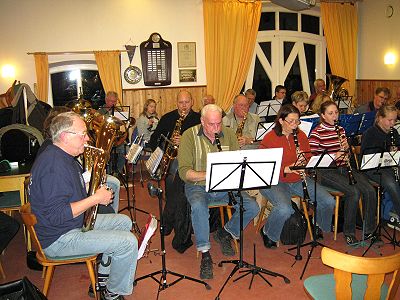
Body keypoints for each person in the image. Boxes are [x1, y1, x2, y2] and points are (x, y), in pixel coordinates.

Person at [29, 112, 137, 300]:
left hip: (71, 225)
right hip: (59, 239)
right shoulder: (53, 166)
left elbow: (70, 192)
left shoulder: (62, 156)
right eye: (83, 134)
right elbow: (56, 215)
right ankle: (112, 294)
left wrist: (91, 187)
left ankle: (103, 278)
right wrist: (95, 199)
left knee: (124, 222)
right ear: (65, 136)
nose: (87, 138)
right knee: (128, 242)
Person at [178, 104, 259, 279]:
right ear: (202, 121)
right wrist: (210, 173)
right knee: (199, 207)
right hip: (198, 185)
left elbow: (237, 163)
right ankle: (205, 253)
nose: (216, 128)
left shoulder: (228, 134)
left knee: (252, 207)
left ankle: (226, 232)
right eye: (211, 124)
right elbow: (184, 172)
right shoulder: (189, 136)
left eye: (218, 124)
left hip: (225, 185)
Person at [258, 104, 335, 248]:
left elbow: (308, 155)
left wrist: (303, 162)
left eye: (297, 121)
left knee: (328, 201)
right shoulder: (269, 138)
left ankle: (316, 224)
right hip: (276, 181)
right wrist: (285, 169)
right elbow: (263, 167)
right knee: (284, 209)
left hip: (298, 179)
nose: (295, 125)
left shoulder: (300, 135)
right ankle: (268, 232)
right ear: (281, 121)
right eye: (291, 121)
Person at [309, 101, 377, 245]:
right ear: (323, 115)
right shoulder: (317, 133)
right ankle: (349, 232)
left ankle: (370, 230)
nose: (335, 116)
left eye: (336, 112)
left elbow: (348, 155)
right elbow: (313, 160)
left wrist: (347, 150)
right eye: (330, 113)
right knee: (353, 192)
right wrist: (334, 156)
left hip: (344, 168)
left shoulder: (340, 129)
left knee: (369, 189)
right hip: (326, 171)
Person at [39, 106, 121, 214]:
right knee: (117, 217)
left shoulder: (59, 151)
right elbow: (59, 212)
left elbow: (73, 180)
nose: (87, 138)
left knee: (114, 185)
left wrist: (94, 177)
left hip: (74, 207)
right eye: (83, 134)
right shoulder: (54, 159)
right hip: (70, 223)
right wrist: (96, 197)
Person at [148, 90, 201, 253]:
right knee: (172, 179)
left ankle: (169, 220)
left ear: (192, 102)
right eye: (180, 103)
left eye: (186, 102)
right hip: (171, 158)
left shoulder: (199, 119)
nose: (183, 106)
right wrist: (167, 142)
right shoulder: (168, 118)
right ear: (176, 103)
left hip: (192, 161)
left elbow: (204, 144)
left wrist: (185, 140)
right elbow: (153, 140)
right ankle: (175, 220)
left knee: (175, 182)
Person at [361, 104, 400, 226]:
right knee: (392, 184)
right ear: (380, 118)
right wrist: (388, 153)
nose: (392, 123)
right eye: (389, 120)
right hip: (373, 169)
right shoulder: (370, 133)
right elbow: (368, 157)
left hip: (389, 166)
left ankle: (392, 212)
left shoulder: (393, 132)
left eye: (395, 120)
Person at [99, 91, 127, 175]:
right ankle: (108, 174)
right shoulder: (100, 112)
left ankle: (117, 173)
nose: (113, 103)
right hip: (105, 140)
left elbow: (124, 128)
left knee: (125, 151)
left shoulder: (119, 111)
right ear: (106, 100)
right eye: (111, 101)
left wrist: (121, 140)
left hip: (117, 139)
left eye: (115, 101)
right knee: (107, 154)